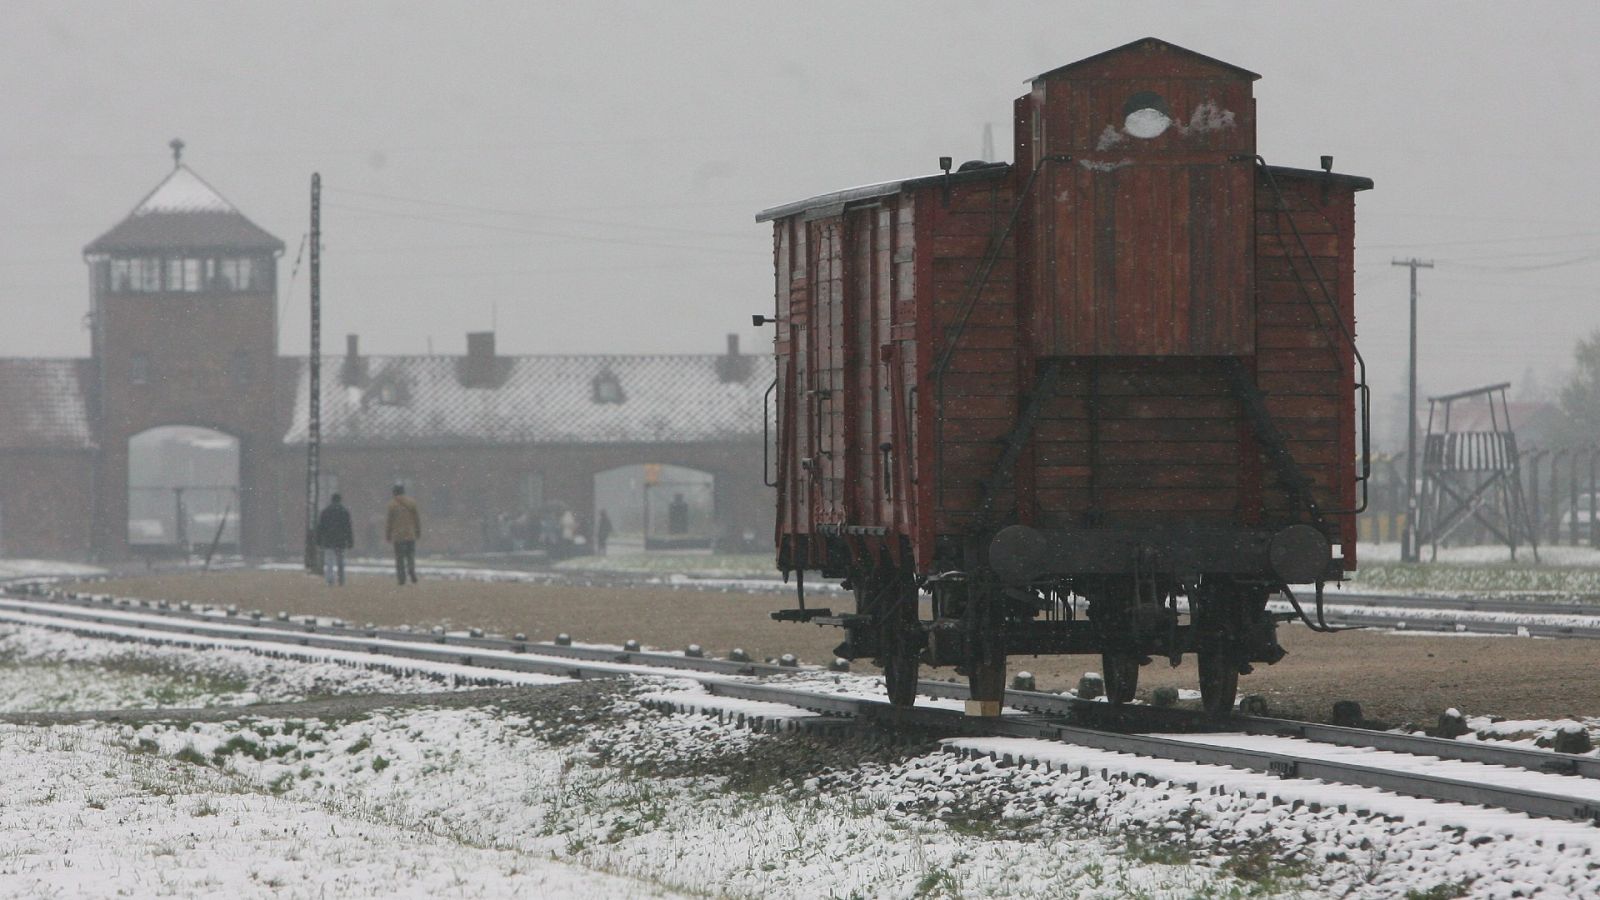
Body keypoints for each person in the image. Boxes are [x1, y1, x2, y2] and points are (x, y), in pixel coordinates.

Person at [386, 483, 422, 585]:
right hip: (410, 534)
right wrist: (418, 531)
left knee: (399, 558)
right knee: (410, 554)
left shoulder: (392, 505)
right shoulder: (412, 503)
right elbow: (417, 519)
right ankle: (411, 569)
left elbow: (389, 521)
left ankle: (401, 578)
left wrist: (388, 534)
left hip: (398, 535)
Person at [315, 493, 354, 586]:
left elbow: (321, 527)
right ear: (340, 500)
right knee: (341, 561)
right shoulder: (344, 511)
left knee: (329, 562)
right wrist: (350, 541)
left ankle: (330, 580)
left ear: (331, 500)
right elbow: (348, 528)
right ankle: (341, 580)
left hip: (328, 539)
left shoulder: (325, 512)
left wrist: (318, 540)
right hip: (341, 540)